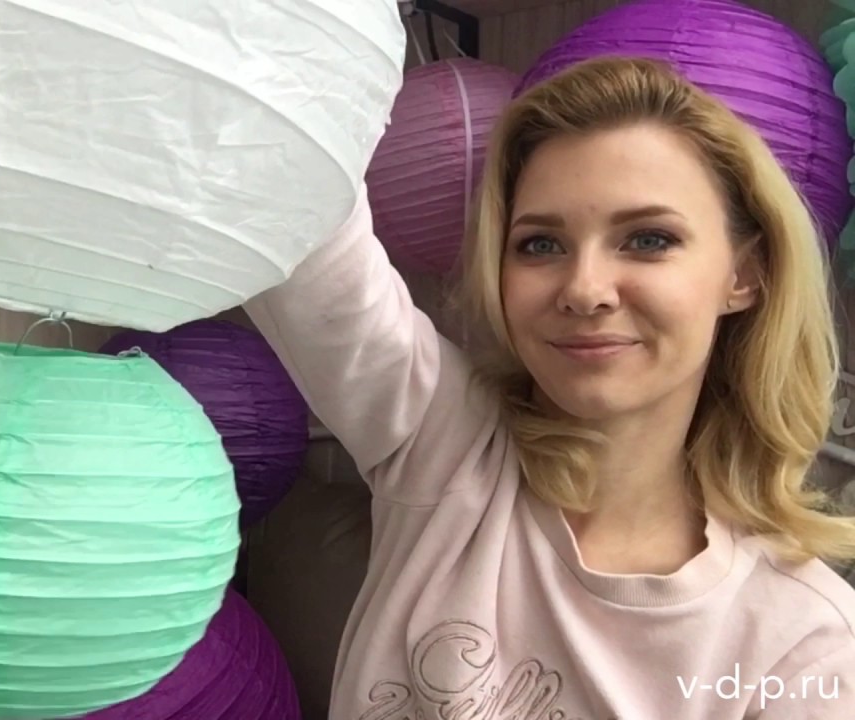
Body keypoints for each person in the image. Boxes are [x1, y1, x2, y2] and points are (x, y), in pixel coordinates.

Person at [242, 56, 855, 719]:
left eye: (648, 239)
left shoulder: (805, 645)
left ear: (744, 274)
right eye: (540, 245)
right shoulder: (445, 443)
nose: (585, 290)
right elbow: (283, 178)